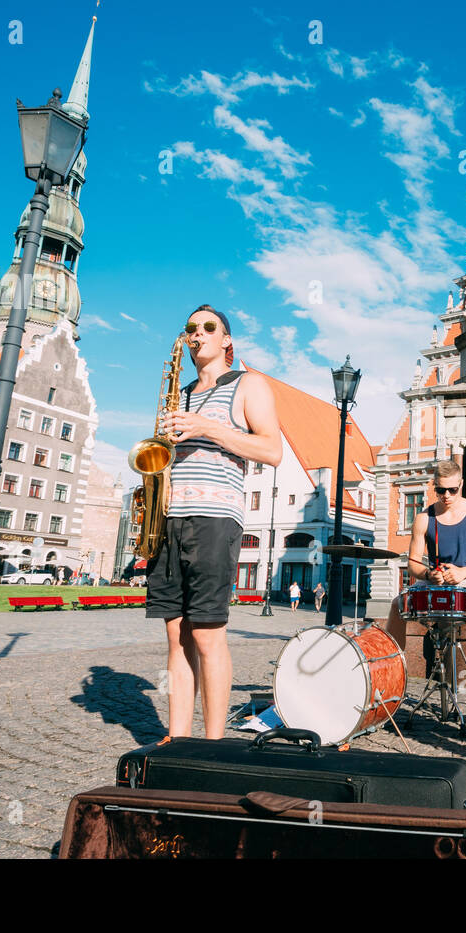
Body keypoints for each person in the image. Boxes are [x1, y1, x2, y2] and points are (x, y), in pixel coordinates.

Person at [146, 305, 282, 740]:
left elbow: (272, 450)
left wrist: (208, 426)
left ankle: (214, 744)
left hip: (214, 518)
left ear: (226, 340)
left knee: (207, 635)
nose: (197, 333)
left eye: (209, 327)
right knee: (176, 637)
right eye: (191, 328)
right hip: (168, 518)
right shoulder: (179, 393)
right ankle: (177, 737)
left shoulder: (248, 384)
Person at [381, 460, 466, 724]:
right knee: (397, 604)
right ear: (434, 488)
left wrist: (463, 573)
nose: (447, 496)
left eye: (452, 490)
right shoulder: (423, 518)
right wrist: (429, 574)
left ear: (461, 485)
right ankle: (390, 686)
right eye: (441, 491)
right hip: (434, 581)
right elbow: (413, 562)